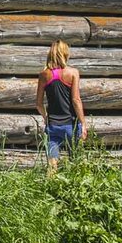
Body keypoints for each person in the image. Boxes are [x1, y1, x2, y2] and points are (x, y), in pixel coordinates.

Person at [37, 40, 88, 174]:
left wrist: (46, 117)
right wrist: (83, 123)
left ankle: (48, 190)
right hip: (70, 124)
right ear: (65, 53)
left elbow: (38, 104)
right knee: (76, 161)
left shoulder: (44, 75)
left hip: (52, 126)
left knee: (52, 164)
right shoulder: (73, 73)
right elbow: (76, 100)